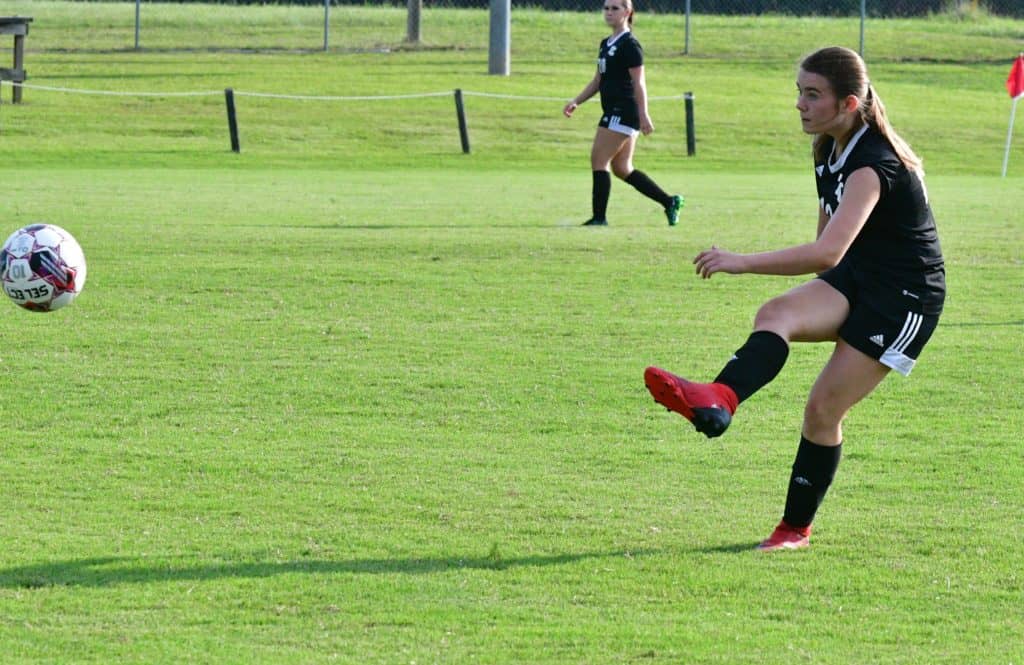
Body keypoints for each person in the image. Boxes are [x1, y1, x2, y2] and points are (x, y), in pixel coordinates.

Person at [643, 46, 945, 551]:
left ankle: (794, 530)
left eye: (813, 94)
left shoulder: (873, 163)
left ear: (848, 103)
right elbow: (829, 246)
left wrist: (741, 261)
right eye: (799, 92)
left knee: (822, 409)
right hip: (860, 275)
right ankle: (719, 400)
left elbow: (826, 252)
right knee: (777, 313)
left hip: (905, 298)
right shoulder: (828, 149)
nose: (800, 104)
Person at [562, 0, 683, 227]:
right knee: (622, 168)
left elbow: (639, 83)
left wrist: (644, 114)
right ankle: (669, 202)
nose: (609, 12)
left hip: (623, 110)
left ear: (627, 12)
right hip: (615, 110)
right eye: (606, 8)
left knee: (599, 160)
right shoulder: (605, 43)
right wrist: (576, 101)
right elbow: (598, 80)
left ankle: (599, 218)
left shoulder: (630, 45)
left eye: (615, 8)